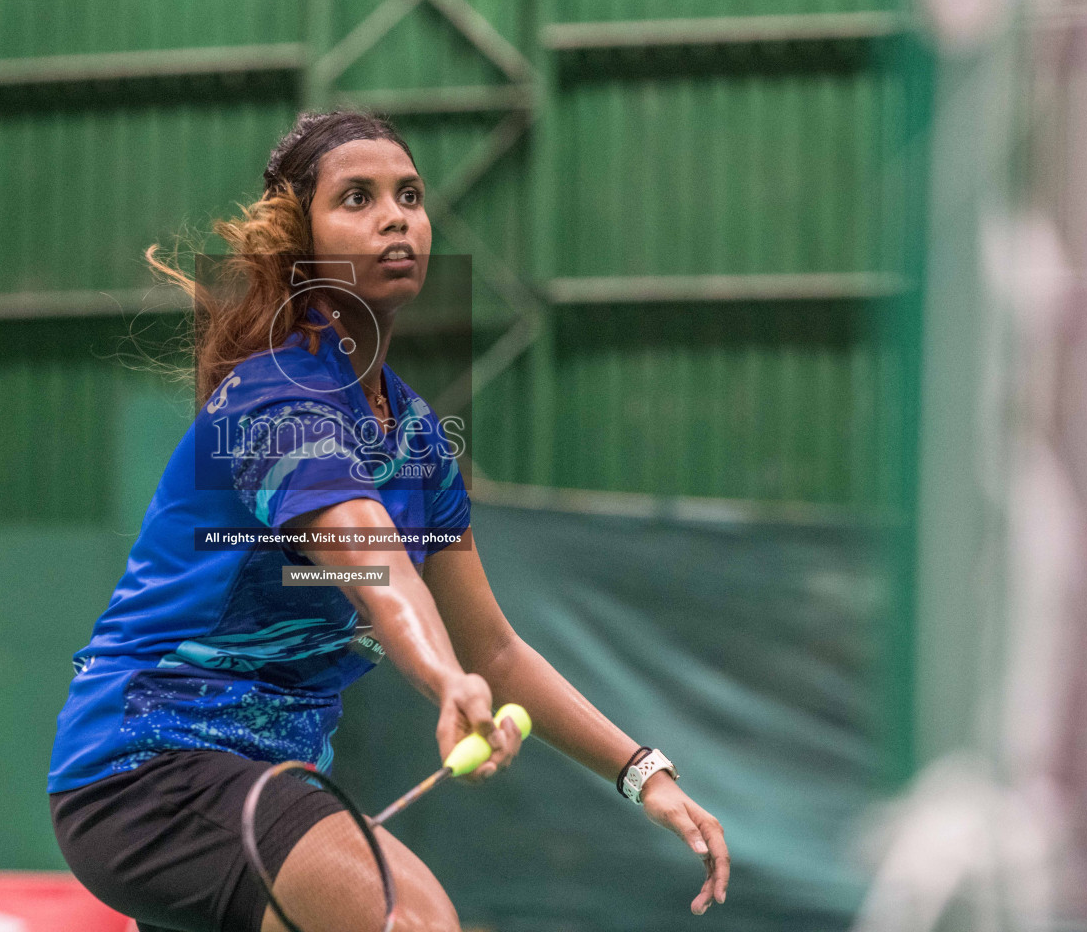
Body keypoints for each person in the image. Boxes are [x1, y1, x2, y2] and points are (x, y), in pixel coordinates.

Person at [48, 111, 730, 932]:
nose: (395, 215)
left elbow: (498, 649)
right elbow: (374, 568)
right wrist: (444, 682)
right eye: (357, 198)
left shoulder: (416, 440)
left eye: (408, 195)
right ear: (301, 242)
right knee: (412, 919)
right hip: (151, 767)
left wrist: (642, 773)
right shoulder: (277, 401)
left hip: (269, 781)